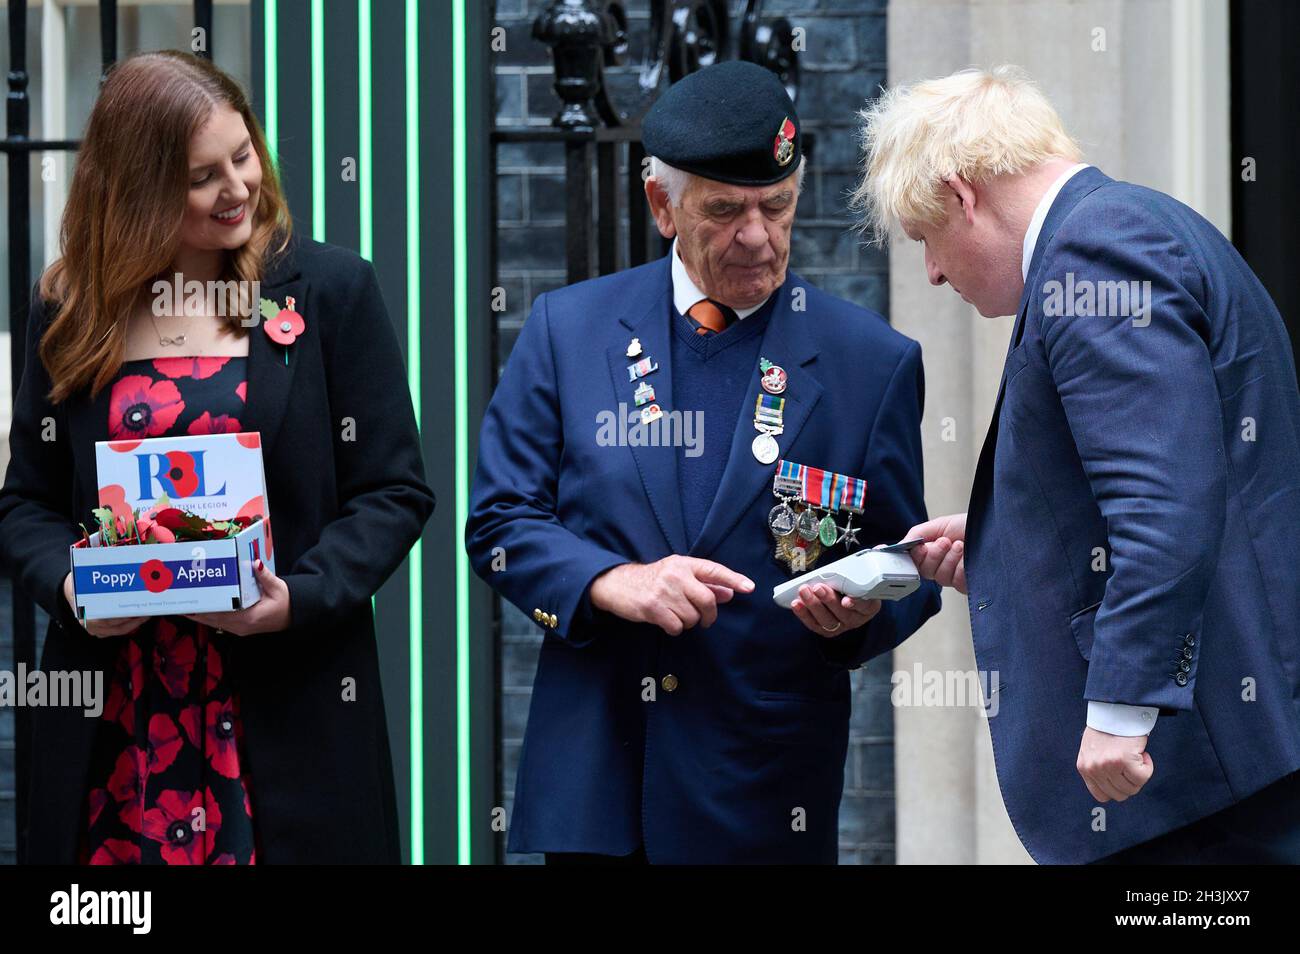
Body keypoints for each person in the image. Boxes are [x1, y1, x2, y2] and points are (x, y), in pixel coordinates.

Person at [466, 60, 940, 864]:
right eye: (724, 211)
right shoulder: (568, 330)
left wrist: (862, 616)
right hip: (599, 787)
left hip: (763, 792)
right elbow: (500, 522)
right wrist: (612, 582)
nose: (758, 235)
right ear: (662, 206)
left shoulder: (871, 363)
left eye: (777, 206)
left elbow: (909, 561)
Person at [852, 65, 1300, 863]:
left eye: (925, 239)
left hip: (1192, 785)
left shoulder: (1095, 252)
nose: (932, 272)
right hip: (1217, 768)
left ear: (962, 196)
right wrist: (997, 539)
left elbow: (1166, 503)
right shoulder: (1129, 228)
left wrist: (1123, 705)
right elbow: (1164, 475)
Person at [0, 51, 434, 864]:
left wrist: (296, 599)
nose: (238, 188)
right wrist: (72, 586)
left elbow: (393, 490)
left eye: (244, 156)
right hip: (118, 718)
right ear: (135, 190)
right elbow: (23, 503)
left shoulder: (332, 290)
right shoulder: (68, 308)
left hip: (290, 706)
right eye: (202, 176)